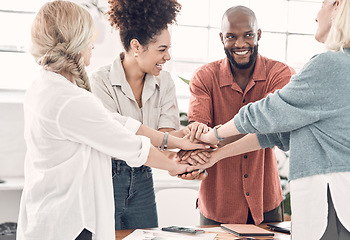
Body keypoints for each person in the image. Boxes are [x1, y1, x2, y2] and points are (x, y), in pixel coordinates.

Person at [192, 0, 350, 239]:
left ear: (338, 7)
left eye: (323, 4)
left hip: (339, 200)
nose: (317, 15)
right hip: (349, 199)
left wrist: (213, 135)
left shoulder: (331, 64)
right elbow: (276, 133)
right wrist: (216, 155)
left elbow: (269, 111)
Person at [17, 1, 207, 240]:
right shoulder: (69, 98)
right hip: (66, 224)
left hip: (55, 216)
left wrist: (173, 141)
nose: (93, 45)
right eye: (89, 36)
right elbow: (126, 142)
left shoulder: (48, 87)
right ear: (74, 40)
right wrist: (177, 164)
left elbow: (113, 121)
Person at [90, 0, 205, 230]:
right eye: (162, 49)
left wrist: (191, 140)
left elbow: (165, 137)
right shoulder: (99, 81)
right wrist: (174, 157)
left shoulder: (165, 82)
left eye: (168, 49)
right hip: (107, 181)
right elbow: (117, 136)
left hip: (144, 179)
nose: (168, 57)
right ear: (136, 46)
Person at [179, 5, 295, 225]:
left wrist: (214, 138)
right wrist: (195, 148)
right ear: (222, 38)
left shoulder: (279, 74)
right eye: (231, 37)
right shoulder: (204, 78)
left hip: (265, 201)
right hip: (217, 204)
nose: (240, 44)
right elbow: (199, 134)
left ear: (258, 34)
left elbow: (271, 126)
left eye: (248, 35)